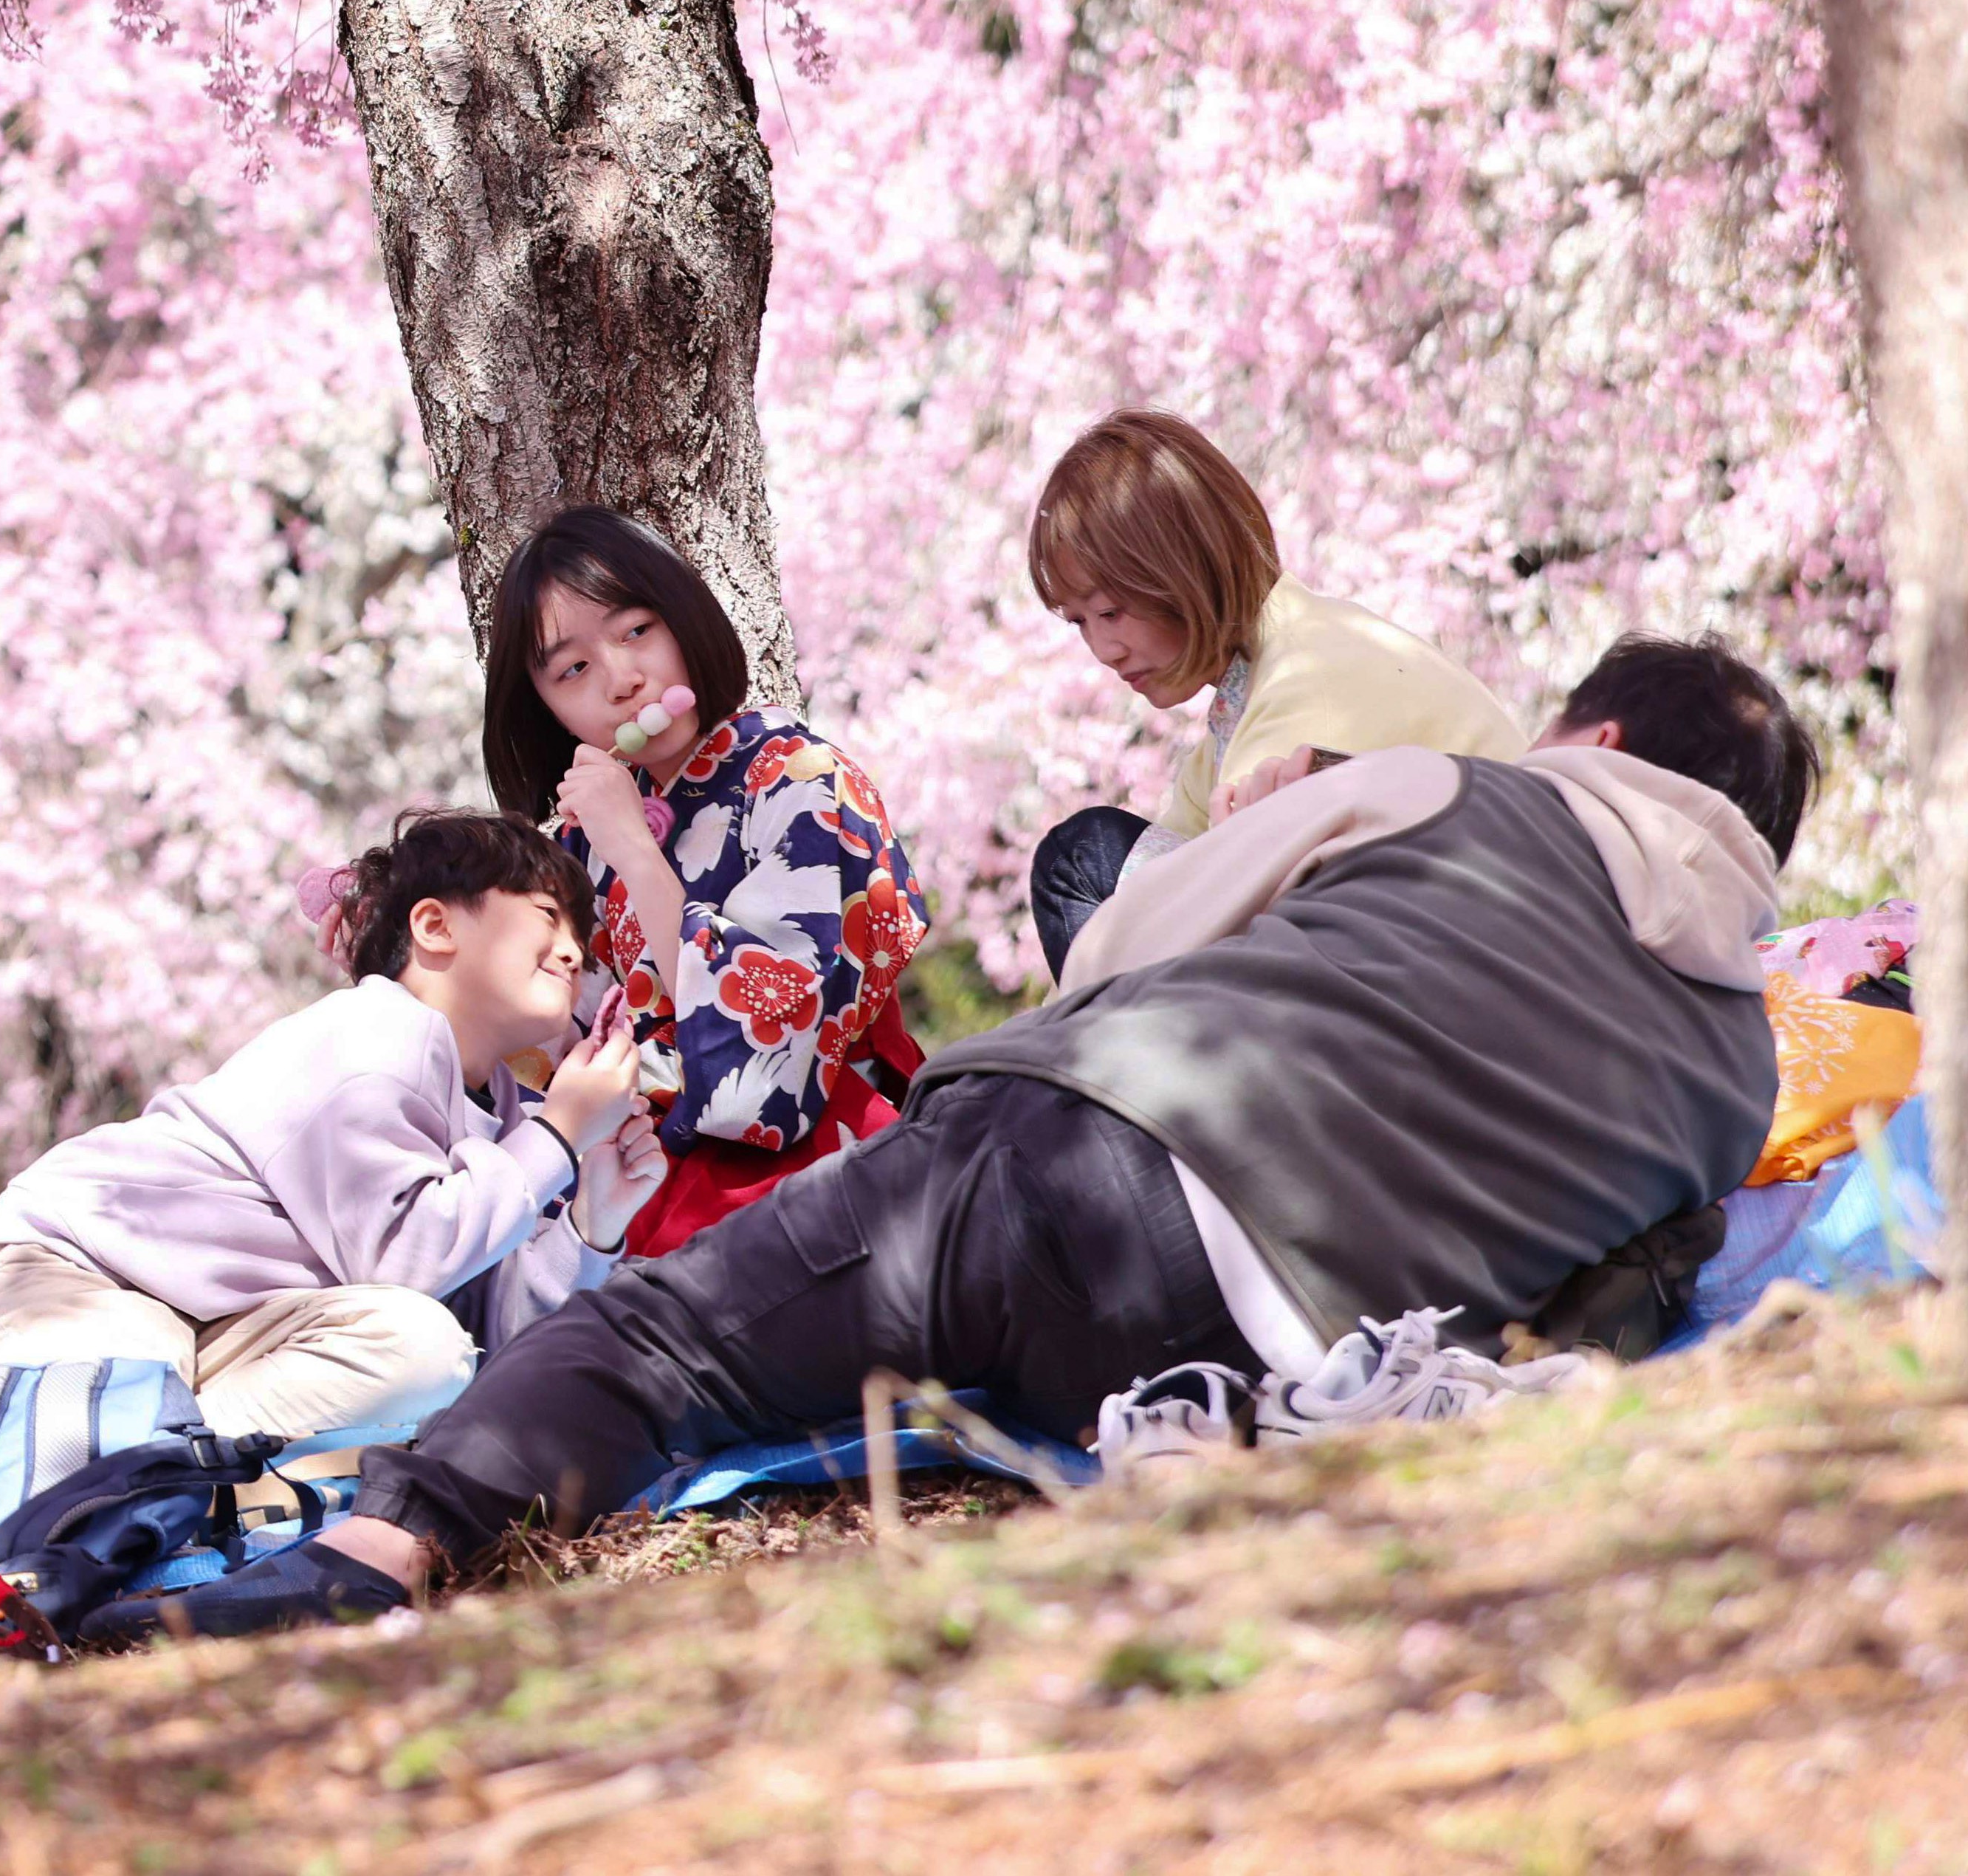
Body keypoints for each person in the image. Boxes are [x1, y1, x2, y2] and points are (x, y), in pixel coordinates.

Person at [111, 636, 1806, 1647]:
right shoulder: (1737, 1059)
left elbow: (1141, 939)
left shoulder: (1461, 787)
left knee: (657, 1340)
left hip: (1090, 1160)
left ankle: (370, 1558)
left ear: (1585, 739)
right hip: (1275, 1347)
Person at [0, 812, 661, 1444]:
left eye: (578, 935)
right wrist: (560, 1131)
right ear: (434, 925)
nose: (571, 951)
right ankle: (135, 1456)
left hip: (230, 1328)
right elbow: (405, 1260)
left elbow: (473, 1320)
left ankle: (174, 1461)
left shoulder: (498, 1104)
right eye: (545, 916)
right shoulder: (376, 1031)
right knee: (117, 1398)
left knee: (429, 1353)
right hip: (82, 1273)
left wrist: (589, 1225)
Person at [480, 507, 927, 1254]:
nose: (622, 680)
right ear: (545, 706)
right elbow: (536, 1042)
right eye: (572, 669)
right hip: (620, 1196)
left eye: (635, 632)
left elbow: (773, 1063)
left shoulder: (797, 780)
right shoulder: (571, 841)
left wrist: (632, 849)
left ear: (682, 618)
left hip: (805, 1188)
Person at [1020, 408, 1518, 972]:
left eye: (1110, 611)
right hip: (1452, 956)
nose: (1103, 650)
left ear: (1186, 566)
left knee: (1081, 857)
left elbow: (1227, 923)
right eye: (1078, 622)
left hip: (1475, 959)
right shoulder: (1259, 688)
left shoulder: (1310, 679)